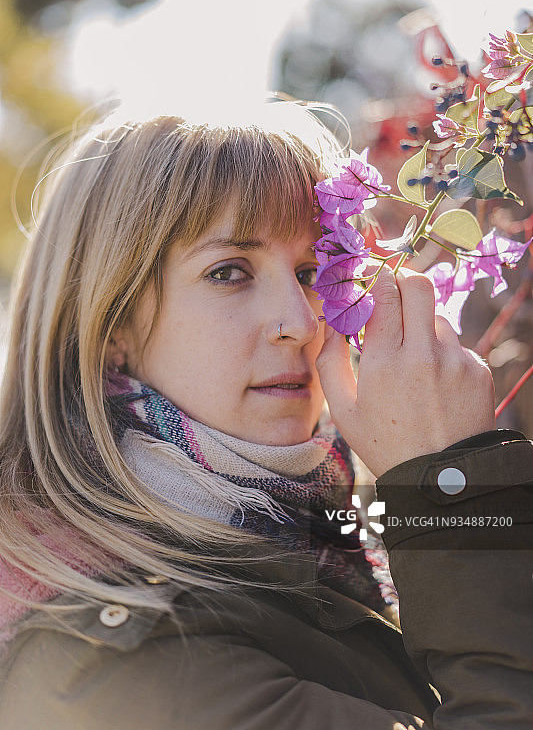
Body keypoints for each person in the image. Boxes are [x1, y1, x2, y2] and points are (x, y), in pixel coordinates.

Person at [0, 101, 532, 730]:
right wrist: (450, 483)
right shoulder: (119, 662)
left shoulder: (322, 538)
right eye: (229, 272)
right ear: (110, 323)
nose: (302, 324)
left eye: (313, 272)